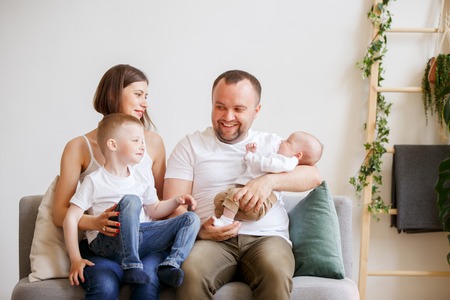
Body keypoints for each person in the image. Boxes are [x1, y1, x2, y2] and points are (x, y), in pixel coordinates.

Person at [163, 69, 322, 300]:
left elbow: (314, 175)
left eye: (238, 109)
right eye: (220, 107)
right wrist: (199, 231)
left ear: (256, 111)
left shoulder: (272, 144)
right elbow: (173, 207)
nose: (227, 116)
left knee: (275, 274)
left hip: (267, 238)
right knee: (190, 273)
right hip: (212, 240)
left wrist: (268, 181)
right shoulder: (190, 146)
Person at [53, 64, 170, 299]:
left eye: (146, 96)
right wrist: (95, 222)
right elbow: (59, 213)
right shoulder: (79, 147)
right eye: (138, 95)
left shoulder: (153, 143)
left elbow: (160, 204)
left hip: (143, 244)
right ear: (112, 95)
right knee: (105, 287)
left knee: (147, 285)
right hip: (103, 247)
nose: (145, 103)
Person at [63, 113, 200, 289]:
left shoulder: (142, 177)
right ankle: (132, 265)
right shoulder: (94, 180)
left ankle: (170, 265)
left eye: (142, 141)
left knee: (191, 219)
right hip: (108, 242)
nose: (142, 146)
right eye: (135, 140)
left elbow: (155, 209)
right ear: (113, 144)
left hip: (140, 239)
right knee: (131, 200)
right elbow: (70, 218)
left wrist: (176, 201)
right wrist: (75, 259)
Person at [213, 130, 323, 227]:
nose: (282, 141)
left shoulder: (287, 162)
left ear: (298, 155)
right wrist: (251, 155)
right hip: (248, 196)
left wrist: (251, 156)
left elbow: (266, 164)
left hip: (261, 202)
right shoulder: (281, 159)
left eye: (288, 142)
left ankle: (226, 221)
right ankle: (228, 220)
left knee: (233, 196)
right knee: (220, 199)